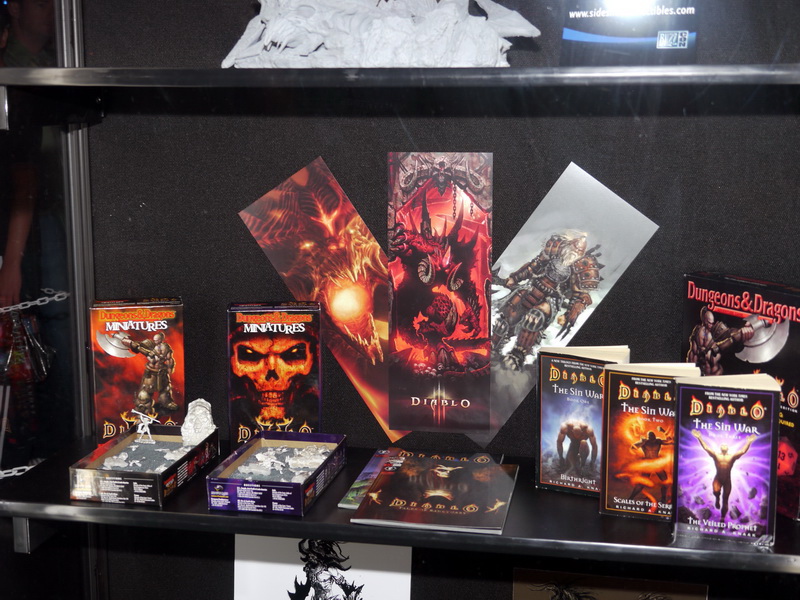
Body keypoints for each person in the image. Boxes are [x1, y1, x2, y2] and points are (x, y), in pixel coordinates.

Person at [692, 430, 757, 520]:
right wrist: (699, 437)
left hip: (727, 480)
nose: (724, 445)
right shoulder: (716, 455)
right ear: (720, 448)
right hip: (718, 479)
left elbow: (742, 451)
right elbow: (706, 448)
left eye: (725, 445)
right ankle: (717, 498)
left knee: (725, 499)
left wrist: (749, 442)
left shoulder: (731, 457)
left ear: (728, 448)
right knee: (716, 492)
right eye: (722, 445)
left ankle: (722, 517)